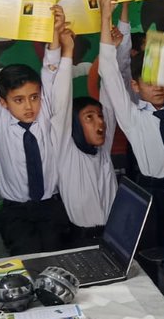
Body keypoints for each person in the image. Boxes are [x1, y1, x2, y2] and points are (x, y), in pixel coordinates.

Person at [97, 0, 164, 252]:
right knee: (157, 255)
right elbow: (109, 69)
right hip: (153, 194)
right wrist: (106, 17)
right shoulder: (133, 117)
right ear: (136, 87)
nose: (159, 87)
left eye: (163, 81)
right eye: (150, 83)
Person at [0, 6, 70, 254]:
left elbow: (51, 67)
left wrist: (55, 32)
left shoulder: (45, 113)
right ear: (4, 102)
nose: (29, 106)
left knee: (58, 262)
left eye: (34, 97)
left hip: (51, 207)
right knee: (27, 263)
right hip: (16, 212)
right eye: (19, 100)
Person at [49, 24, 122, 242]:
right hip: (81, 239)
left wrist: (112, 51)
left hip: (114, 236)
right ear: (74, 125)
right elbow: (61, 102)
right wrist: (68, 52)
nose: (100, 122)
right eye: (89, 117)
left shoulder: (102, 150)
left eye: (99, 116)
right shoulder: (66, 152)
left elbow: (109, 93)